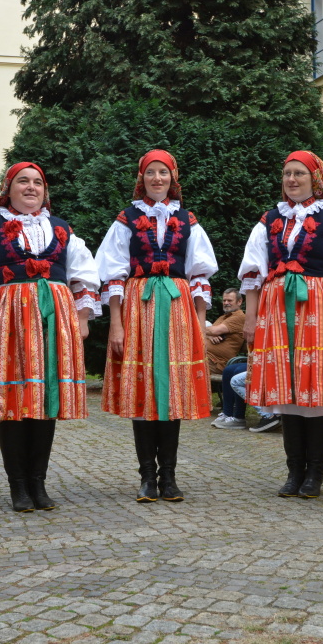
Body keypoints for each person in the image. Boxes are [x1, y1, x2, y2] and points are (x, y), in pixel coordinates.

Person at [0, 161, 100, 513]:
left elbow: (84, 275)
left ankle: (38, 482)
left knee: (45, 401)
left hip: (54, 320)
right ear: (9, 189)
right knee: (14, 403)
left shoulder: (62, 228)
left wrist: (82, 318)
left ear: (44, 191)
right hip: (10, 320)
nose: (31, 187)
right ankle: (18, 485)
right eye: (23, 181)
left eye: (37, 182)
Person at [238, 151, 323, 499]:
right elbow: (253, 273)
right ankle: (294, 472)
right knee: (287, 390)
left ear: (315, 179)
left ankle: (314, 475)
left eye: (299, 173)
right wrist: (250, 318)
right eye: (287, 174)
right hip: (276, 309)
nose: (292, 179)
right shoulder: (269, 220)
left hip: (318, 306)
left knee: (316, 389)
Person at [96, 149, 218, 503]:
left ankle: (170, 477)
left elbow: (199, 276)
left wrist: (199, 326)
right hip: (138, 305)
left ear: (173, 177)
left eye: (163, 172)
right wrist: (116, 325)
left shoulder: (188, 220)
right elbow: (113, 275)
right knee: (144, 391)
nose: (157, 178)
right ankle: (147, 477)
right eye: (151, 172)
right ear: (142, 178)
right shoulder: (126, 219)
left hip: (178, 308)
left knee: (172, 392)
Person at [211, 358, 282, 432]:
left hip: (271, 364)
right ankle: (227, 414)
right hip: (260, 361)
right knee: (228, 370)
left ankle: (239, 417)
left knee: (237, 376)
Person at [205, 288, 246, 375]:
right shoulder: (223, 317)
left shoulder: (239, 317)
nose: (226, 303)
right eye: (224, 300)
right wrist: (209, 335)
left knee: (184, 365)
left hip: (216, 363)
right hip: (205, 357)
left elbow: (214, 330)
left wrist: (210, 332)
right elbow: (209, 332)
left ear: (239, 302)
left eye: (229, 300)